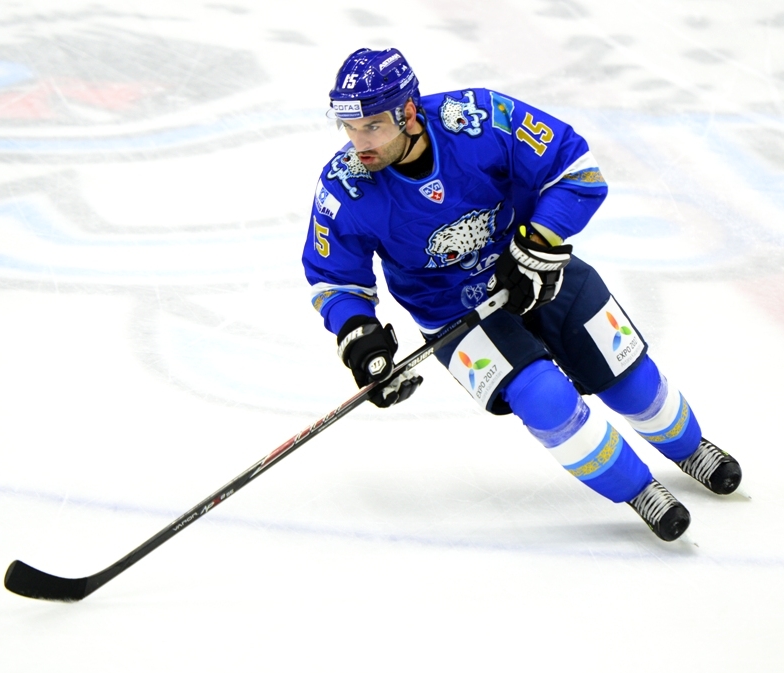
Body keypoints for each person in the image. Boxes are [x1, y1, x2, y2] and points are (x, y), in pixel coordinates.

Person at [302, 47, 742, 541]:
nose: (358, 142)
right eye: (348, 126)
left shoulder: (479, 118)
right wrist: (359, 334)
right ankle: (639, 491)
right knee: (544, 397)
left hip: (535, 267)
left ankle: (691, 449)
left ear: (408, 112)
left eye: (372, 126)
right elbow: (333, 278)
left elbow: (577, 170)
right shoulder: (344, 187)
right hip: (450, 311)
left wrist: (537, 244)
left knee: (629, 380)